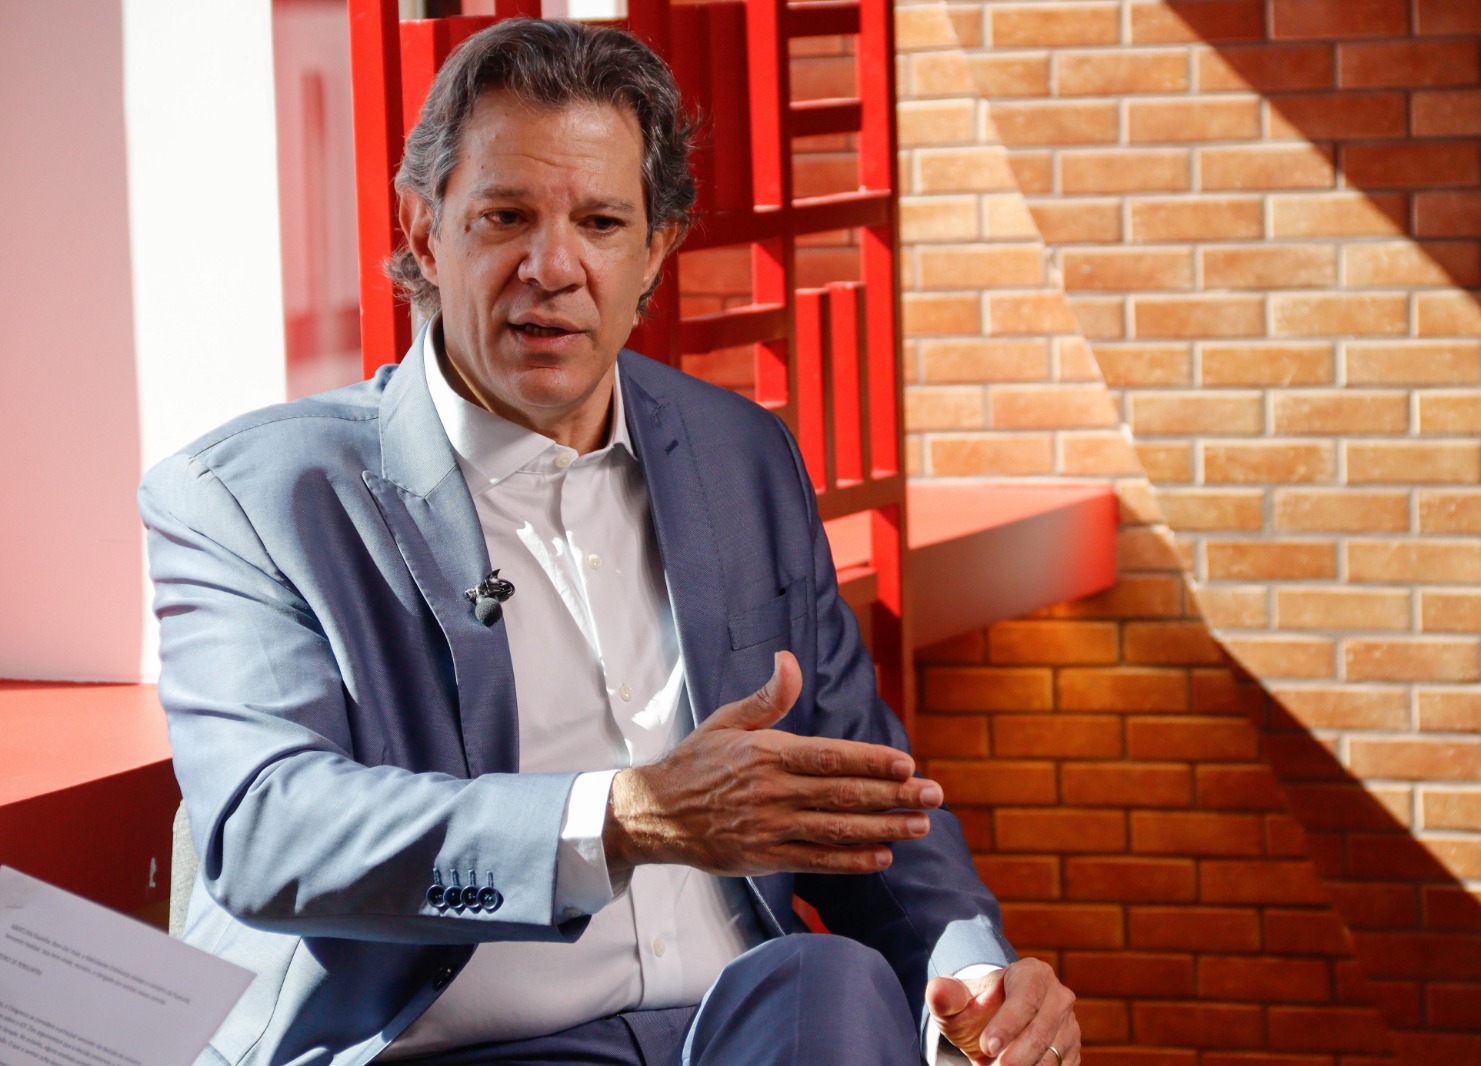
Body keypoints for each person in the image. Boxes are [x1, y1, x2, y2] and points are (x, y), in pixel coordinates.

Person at [140, 17, 1079, 1066]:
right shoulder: (254, 496)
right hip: (457, 1045)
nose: (553, 266)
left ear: (655, 251)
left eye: (599, 221)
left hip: (739, 1030)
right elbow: (269, 830)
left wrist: (977, 981)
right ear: (424, 230)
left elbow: (859, 795)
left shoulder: (741, 455)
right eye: (505, 216)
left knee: (830, 978)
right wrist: (624, 818)